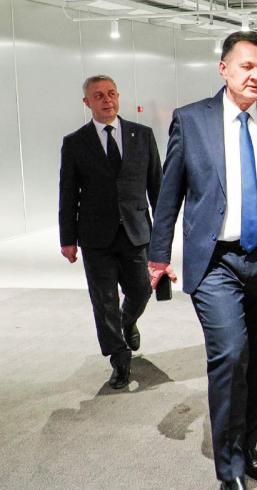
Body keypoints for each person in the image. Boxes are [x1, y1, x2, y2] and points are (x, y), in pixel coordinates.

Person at [147, 31, 257, 490]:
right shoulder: (191, 120)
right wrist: (158, 256)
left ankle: (246, 444)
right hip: (216, 261)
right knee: (231, 354)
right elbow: (170, 193)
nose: (255, 75)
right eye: (246, 66)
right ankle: (230, 472)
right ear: (223, 68)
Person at [59, 75, 161, 390]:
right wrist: (67, 238)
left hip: (135, 230)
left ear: (118, 96)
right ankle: (119, 360)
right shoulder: (75, 142)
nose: (107, 100)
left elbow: (157, 186)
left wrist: (164, 234)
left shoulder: (142, 135)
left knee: (141, 289)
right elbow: (67, 193)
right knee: (103, 301)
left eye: (111, 93)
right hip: (95, 235)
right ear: (87, 102)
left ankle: (127, 322)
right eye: (99, 96)